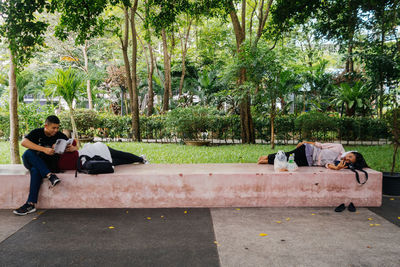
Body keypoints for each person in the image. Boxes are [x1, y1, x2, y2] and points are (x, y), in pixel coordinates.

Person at [258, 141, 369, 212]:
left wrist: (336, 168)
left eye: (349, 160)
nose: (347, 158)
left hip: (309, 162)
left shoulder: (340, 164)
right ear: (351, 152)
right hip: (308, 150)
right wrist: (305, 142)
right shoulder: (339, 147)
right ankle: (266, 157)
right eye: (349, 156)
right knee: (287, 155)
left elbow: (326, 165)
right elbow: (320, 145)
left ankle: (267, 160)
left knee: (287, 162)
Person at [13, 115, 78, 216]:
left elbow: (75, 145)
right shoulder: (37, 132)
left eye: (57, 127)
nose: (56, 130)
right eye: (53, 128)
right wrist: (44, 149)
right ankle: (50, 175)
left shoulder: (59, 135)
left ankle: (30, 204)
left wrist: (74, 148)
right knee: (28, 153)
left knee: (35, 170)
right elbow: (24, 142)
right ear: (46, 126)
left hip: (48, 164)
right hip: (33, 161)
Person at [58, 141, 148, 171]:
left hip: (94, 151)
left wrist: (74, 148)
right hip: (90, 162)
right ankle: (140, 159)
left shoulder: (61, 147)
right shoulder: (56, 162)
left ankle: (141, 159)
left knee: (120, 154)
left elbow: (74, 142)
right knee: (119, 162)